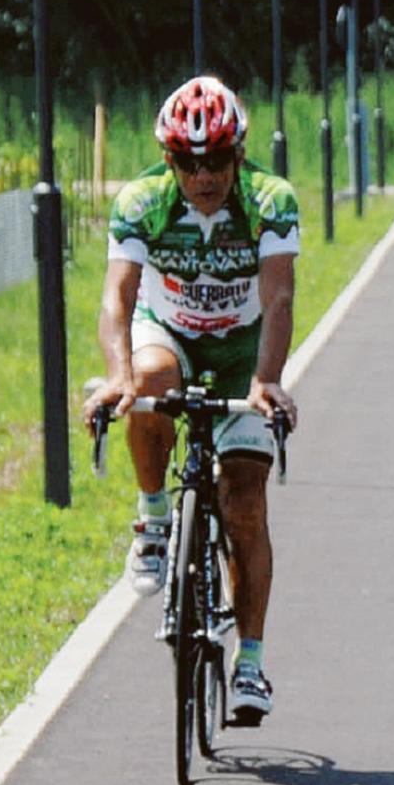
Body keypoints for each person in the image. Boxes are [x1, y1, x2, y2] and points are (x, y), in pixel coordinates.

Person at [81, 76, 300, 726]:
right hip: (167, 332)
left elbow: (280, 298)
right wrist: (117, 375)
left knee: (245, 502)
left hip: (241, 349)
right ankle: (152, 519)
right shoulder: (143, 200)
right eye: (187, 161)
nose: (203, 176)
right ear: (169, 159)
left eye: (215, 161)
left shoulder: (269, 200)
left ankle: (252, 661)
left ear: (239, 154)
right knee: (147, 383)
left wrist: (266, 379)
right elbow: (116, 298)